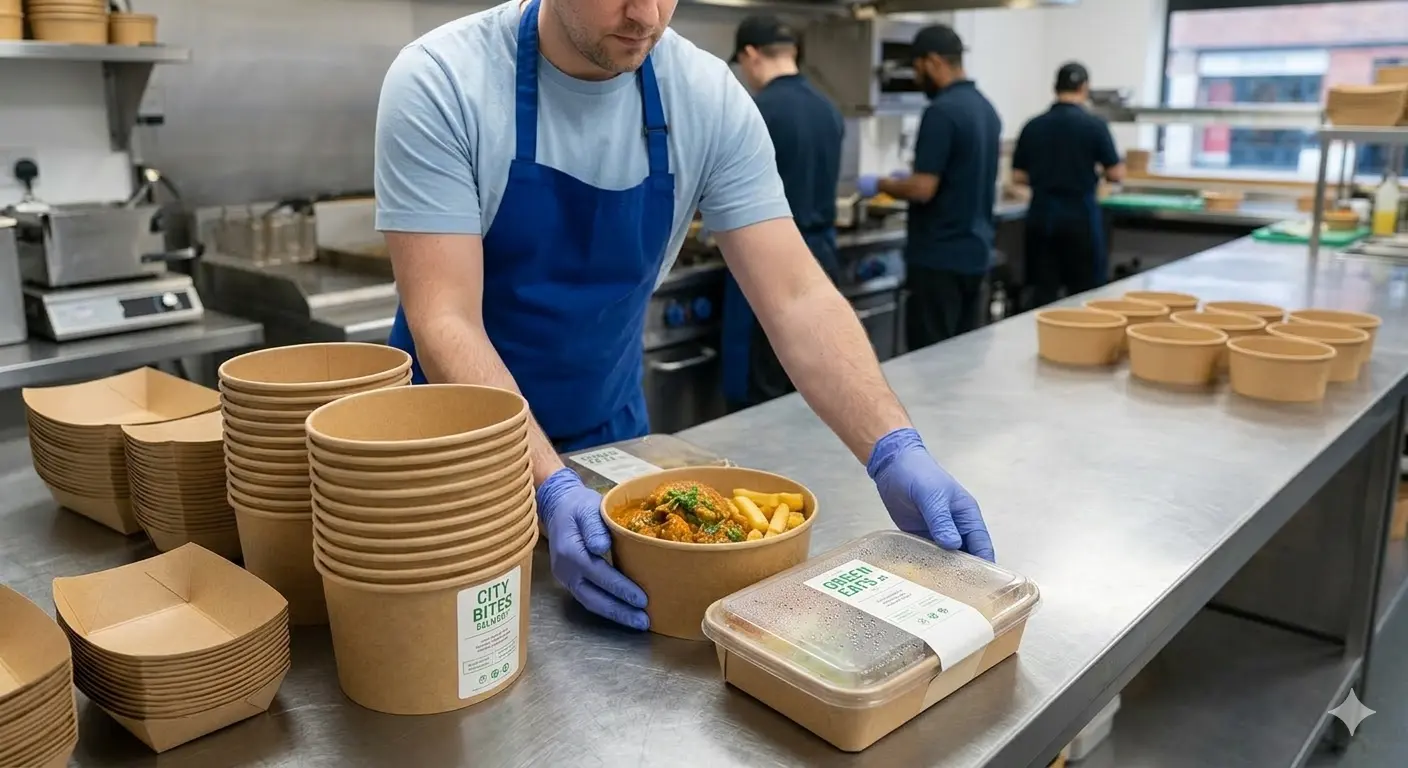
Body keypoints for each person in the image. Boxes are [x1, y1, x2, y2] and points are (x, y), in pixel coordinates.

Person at [374, 0, 994, 632]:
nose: (646, 14)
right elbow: (446, 320)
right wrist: (548, 484)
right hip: (452, 459)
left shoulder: (704, 96)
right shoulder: (443, 78)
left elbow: (795, 296)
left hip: (609, 439)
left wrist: (892, 447)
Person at [722, 15, 844, 408]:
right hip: (821, 259)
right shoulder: (829, 109)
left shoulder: (756, 111)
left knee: (760, 391)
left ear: (751, 55)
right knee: (806, 388)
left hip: (767, 266)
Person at [859, 24, 1001, 351]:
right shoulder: (985, 108)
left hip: (939, 261)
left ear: (933, 61)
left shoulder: (941, 112)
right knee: (961, 360)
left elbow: (923, 188)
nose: (916, 76)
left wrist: (882, 184)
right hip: (975, 256)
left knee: (929, 364)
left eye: (918, 68)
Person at [1012, 62, 1124, 308]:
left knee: (1042, 296)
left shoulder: (1033, 126)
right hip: (1079, 219)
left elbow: (1018, 177)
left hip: (1042, 218)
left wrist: (1047, 175)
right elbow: (1115, 173)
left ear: (1054, 88)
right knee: (1083, 296)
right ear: (1084, 88)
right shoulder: (1095, 125)